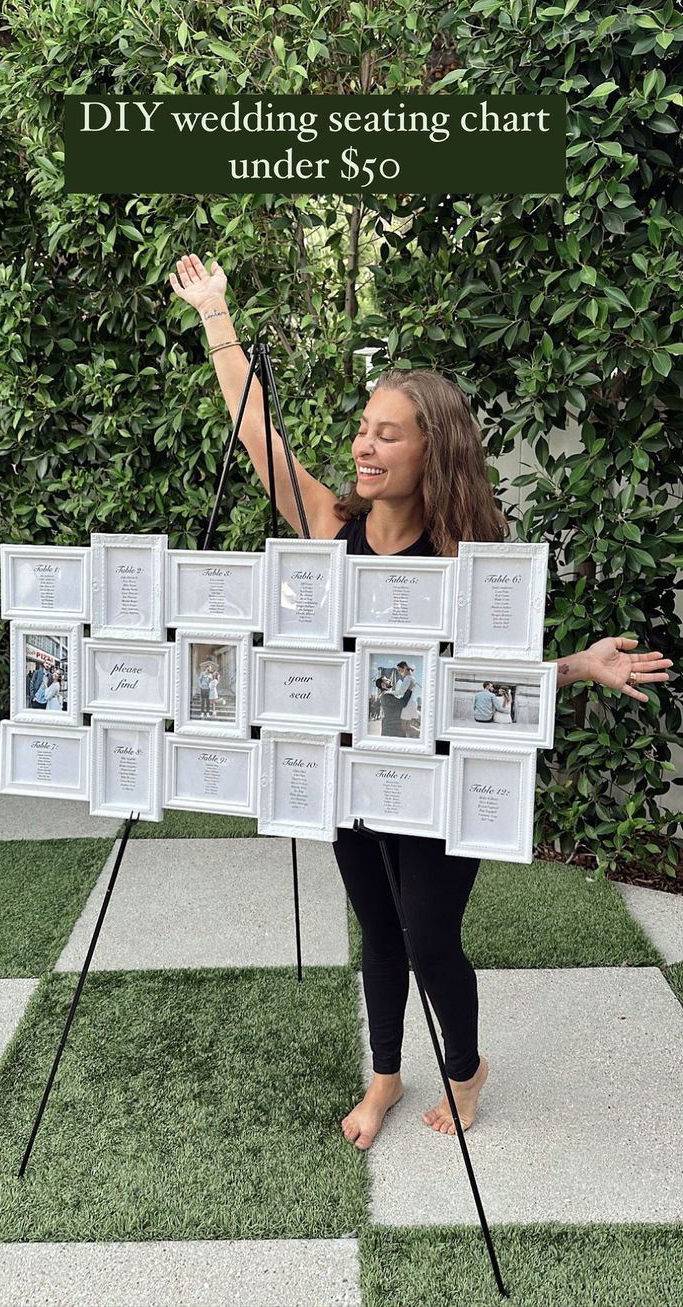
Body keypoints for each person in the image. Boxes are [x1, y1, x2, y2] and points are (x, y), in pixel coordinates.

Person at [170, 251, 673, 1150]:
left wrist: (577, 665)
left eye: (389, 433)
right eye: (365, 429)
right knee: (377, 930)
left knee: (431, 936)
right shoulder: (330, 527)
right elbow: (260, 440)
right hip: (350, 774)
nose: (365, 445)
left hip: (434, 779)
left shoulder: (465, 559)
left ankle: (469, 1065)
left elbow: (486, 682)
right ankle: (387, 1075)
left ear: (433, 448)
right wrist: (218, 319)